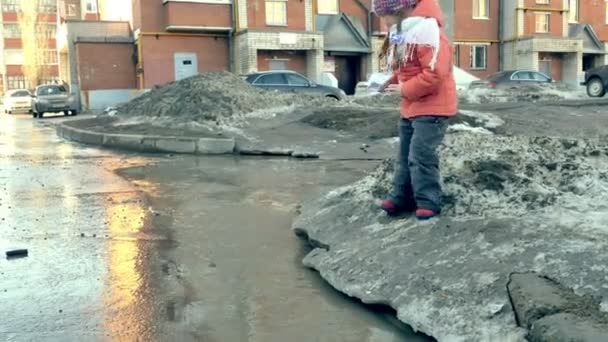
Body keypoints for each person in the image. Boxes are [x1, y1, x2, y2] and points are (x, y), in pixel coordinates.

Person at [373, 0, 457, 220]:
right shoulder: (403, 32)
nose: (384, 22)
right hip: (411, 106)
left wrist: (404, 89)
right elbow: (404, 68)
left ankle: (428, 201)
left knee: (421, 156)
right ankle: (402, 197)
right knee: (404, 156)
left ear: (400, 11)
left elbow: (434, 73)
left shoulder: (429, 33)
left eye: (385, 16)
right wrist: (389, 81)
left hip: (433, 108)